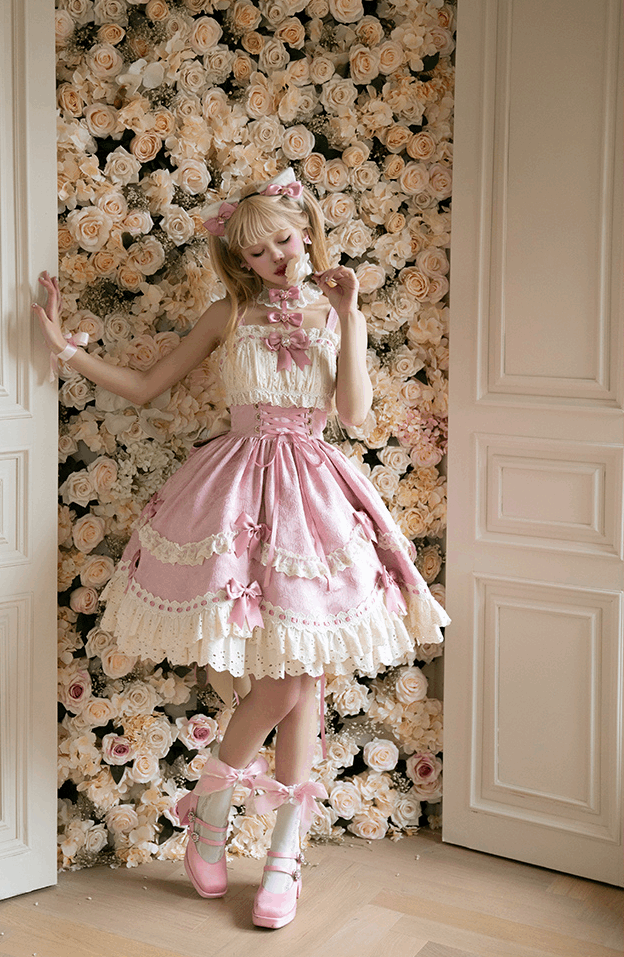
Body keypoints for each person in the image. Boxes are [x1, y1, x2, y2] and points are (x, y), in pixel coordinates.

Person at [34, 168, 449, 930]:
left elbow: (354, 413)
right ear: (240, 259)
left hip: (313, 502)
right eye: (256, 252)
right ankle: (238, 829)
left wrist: (350, 316)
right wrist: (66, 351)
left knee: (302, 675)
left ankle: (255, 838)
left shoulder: (337, 312)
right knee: (292, 680)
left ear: (307, 232)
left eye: (284, 241)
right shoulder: (229, 313)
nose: (275, 259)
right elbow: (148, 385)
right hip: (236, 495)